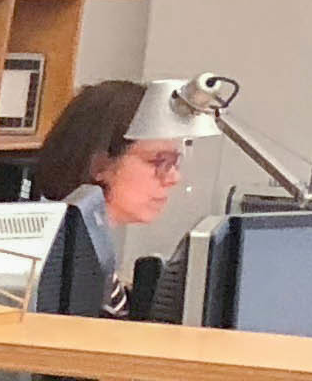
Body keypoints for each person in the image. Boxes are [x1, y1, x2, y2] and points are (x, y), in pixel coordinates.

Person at [32, 78, 196, 306]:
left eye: (175, 162)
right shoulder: (62, 267)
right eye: (158, 161)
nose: (174, 178)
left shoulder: (94, 256)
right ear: (99, 165)